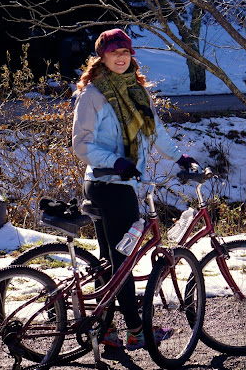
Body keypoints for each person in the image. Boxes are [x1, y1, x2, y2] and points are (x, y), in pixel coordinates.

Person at [72, 28, 199, 350]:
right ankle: (135, 330)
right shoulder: (93, 95)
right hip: (106, 184)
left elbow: (156, 133)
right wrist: (116, 161)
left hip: (124, 183)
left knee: (111, 262)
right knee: (123, 263)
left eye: (125, 52)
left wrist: (181, 158)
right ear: (102, 57)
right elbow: (81, 143)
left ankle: (105, 330)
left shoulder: (137, 93)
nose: (120, 58)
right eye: (114, 52)